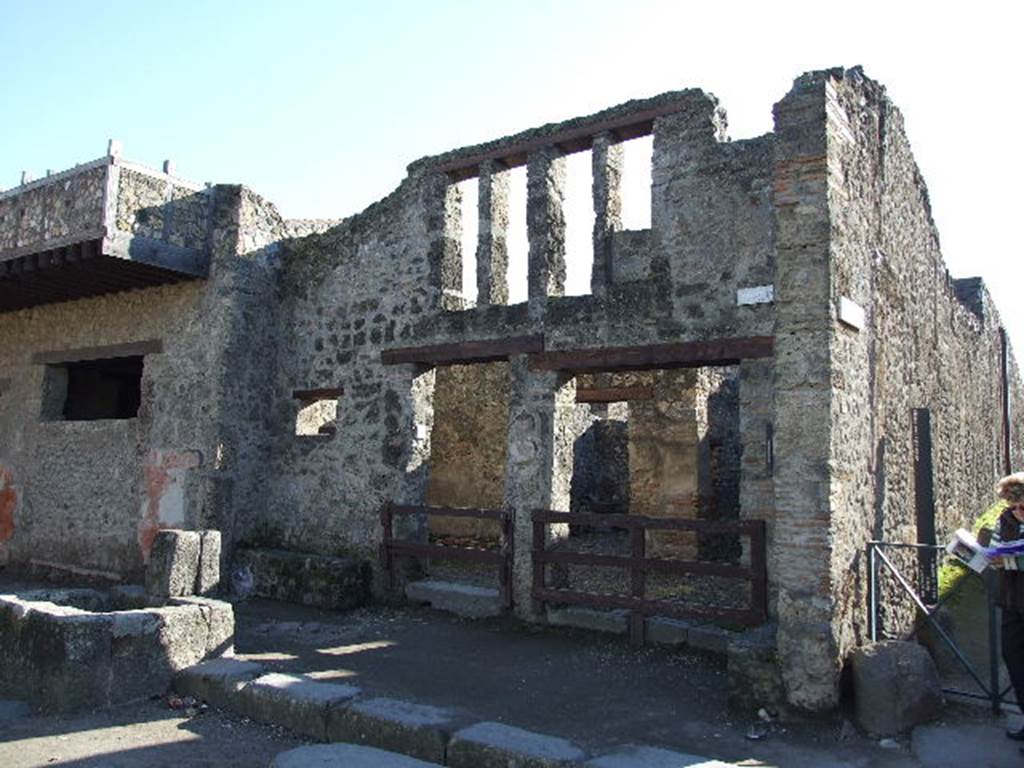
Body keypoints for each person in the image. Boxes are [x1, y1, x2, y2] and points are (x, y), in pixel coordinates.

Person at [987, 472, 1024, 742]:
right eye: (1013, 506)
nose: (1017, 511)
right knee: (1014, 660)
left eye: (1022, 506)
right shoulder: (1005, 520)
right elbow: (994, 553)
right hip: (1012, 602)